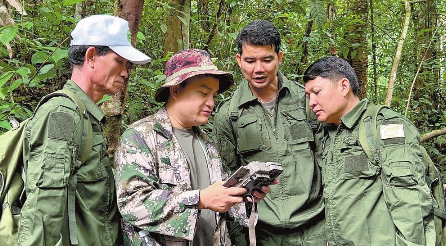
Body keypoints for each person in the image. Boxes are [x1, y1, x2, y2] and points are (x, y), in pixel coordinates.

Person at [115, 49, 271, 246]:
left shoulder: (207, 144)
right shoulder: (140, 137)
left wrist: (246, 195)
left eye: (214, 95)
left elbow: (220, 204)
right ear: (176, 90)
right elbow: (132, 204)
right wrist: (199, 199)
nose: (211, 103)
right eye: (203, 93)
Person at [18, 15, 151, 246]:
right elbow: (44, 204)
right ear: (91, 57)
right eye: (119, 61)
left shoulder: (84, 114)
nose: (126, 73)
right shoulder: (63, 114)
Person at [213, 20, 325, 246]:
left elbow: (328, 165)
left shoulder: (308, 102)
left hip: (315, 229)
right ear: (239, 61)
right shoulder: (228, 115)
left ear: (279, 58)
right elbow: (227, 183)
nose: (258, 69)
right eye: (250, 60)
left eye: (267, 59)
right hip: (261, 233)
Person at [303, 56, 436, 245]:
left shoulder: (385, 127)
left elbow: (410, 207)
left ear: (343, 86)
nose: (312, 102)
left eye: (317, 92)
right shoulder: (326, 135)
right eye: (308, 96)